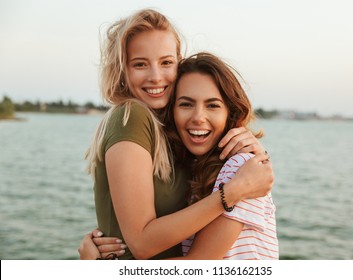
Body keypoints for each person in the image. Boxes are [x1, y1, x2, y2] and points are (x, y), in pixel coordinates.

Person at [79, 9, 274, 260]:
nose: (155, 77)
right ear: (122, 69)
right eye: (140, 64)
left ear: (178, 62)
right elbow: (142, 243)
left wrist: (257, 158)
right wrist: (233, 192)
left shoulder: (175, 138)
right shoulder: (132, 116)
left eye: (166, 62)